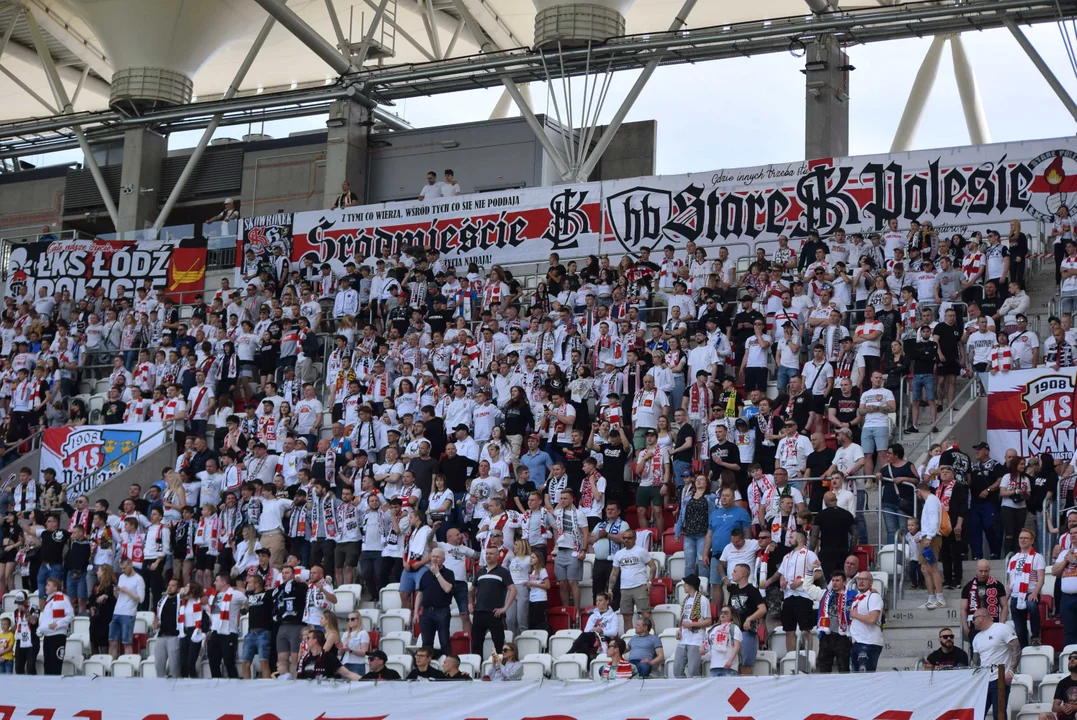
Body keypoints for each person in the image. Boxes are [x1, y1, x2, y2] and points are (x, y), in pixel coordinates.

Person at [971, 607, 1019, 719]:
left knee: (999, 713)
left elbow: (1016, 648)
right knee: (978, 713)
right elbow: (976, 661)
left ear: (982, 618)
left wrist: (1011, 671)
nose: (972, 621)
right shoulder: (976, 638)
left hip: (1000, 678)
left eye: (974, 618)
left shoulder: (1002, 629)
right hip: (983, 680)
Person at [778, 529, 821, 655]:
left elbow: (818, 573)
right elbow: (782, 574)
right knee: (789, 629)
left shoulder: (809, 554)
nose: (789, 539)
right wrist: (782, 582)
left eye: (792, 537)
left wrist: (801, 580)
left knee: (805, 628)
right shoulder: (787, 556)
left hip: (804, 595)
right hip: (788, 595)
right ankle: (791, 658)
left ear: (800, 539)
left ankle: (808, 656)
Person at [469, 545, 516, 656]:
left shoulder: (503, 572)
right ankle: (478, 670)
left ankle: (501, 669)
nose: (488, 556)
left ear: (497, 556)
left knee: (499, 644)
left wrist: (504, 608)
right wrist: (470, 604)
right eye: (487, 553)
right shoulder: (480, 572)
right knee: (476, 644)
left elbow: (513, 589)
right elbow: (471, 590)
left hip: (494, 613)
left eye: (491, 554)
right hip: (479, 612)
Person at [608, 528, 657, 630]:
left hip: (640, 585)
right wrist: (610, 589)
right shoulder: (619, 553)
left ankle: (652, 637)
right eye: (624, 538)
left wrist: (650, 582)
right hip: (625, 588)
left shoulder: (641, 551)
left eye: (629, 538)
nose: (626, 540)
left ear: (635, 538)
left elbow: (653, 566)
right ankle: (627, 640)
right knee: (626, 616)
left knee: (646, 615)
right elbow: (614, 572)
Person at [1008, 528, 1045, 648]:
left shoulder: (1037, 557)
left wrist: (1035, 593)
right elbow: (1010, 581)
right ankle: (1023, 648)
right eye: (1021, 538)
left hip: (1030, 592)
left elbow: (1041, 579)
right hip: (1015, 594)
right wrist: (1005, 597)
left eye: (1026, 538)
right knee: (1019, 627)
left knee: (1032, 607)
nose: (1023, 540)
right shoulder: (1013, 558)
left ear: (1032, 541)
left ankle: (1035, 636)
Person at [415, 547, 455, 651]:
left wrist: (437, 573)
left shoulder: (449, 573)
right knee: (426, 644)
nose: (435, 559)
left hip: (442, 611)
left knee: (444, 641)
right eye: (433, 556)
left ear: (443, 559)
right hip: (426, 611)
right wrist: (415, 613)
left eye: (438, 557)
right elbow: (420, 594)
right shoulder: (425, 575)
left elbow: (447, 589)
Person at [962, 559, 1008, 646]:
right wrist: (965, 628)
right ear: (976, 570)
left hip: (993, 624)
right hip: (975, 625)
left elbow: (1004, 606)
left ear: (989, 570)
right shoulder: (968, 587)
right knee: (976, 652)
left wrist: (1001, 624)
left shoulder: (998, 585)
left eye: (986, 571)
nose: (983, 574)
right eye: (981, 571)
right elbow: (964, 609)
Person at [917, 482, 946, 610]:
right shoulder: (930, 500)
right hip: (927, 536)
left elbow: (934, 520)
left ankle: (940, 598)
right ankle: (931, 598)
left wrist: (929, 537)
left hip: (932, 537)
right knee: (925, 568)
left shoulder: (932, 500)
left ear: (919, 491)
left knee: (932, 567)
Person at [674, 573, 710, 678]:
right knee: (677, 669)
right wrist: (679, 630)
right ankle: (684, 690)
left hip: (696, 639)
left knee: (693, 669)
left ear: (691, 585)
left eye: (685, 584)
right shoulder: (686, 600)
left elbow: (708, 621)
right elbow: (683, 619)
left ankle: (697, 691)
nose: (683, 585)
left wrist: (692, 624)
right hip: (683, 638)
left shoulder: (703, 600)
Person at [109, 556, 145, 659]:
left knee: (126, 642)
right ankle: (111, 666)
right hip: (117, 611)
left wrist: (126, 591)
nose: (123, 570)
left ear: (130, 565)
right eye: (121, 568)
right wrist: (116, 591)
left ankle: (127, 666)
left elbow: (141, 599)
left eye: (124, 568)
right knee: (112, 641)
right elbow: (118, 596)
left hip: (128, 613)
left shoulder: (139, 579)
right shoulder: (121, 577)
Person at [849, 570, 884, 672]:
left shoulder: (874, 597)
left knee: (866, 678)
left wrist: (855, 615)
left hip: (868, 642)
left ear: (871, 582)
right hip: (857, 641)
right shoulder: (857, 597)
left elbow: (873, 619)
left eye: (864, 579)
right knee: (856, 678)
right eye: (859, 579)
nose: (861, 581)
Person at [296, 626, 361, 680]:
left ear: (314, 641)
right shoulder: (304, 658)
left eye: (308, 638)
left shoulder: (329, 657)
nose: (306, 640)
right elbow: (298, 678)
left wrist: (366, 681)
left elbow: (347, 674)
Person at [38, 576, 72, 675]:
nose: (45, 587)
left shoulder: (63, 598)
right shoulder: (49, 601)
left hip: (58, 636)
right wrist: (40, 629)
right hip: (47, 636)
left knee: (55, 664)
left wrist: (57, 624)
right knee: (47, 665)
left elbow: (70, 615)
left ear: (55, 587)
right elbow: (46, 618)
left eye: (48, 585)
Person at [702, 605, 742, 677]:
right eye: (721, 612)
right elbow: (706, 643)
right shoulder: (712, 628)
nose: (723, 614)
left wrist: (730, 661)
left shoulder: (734, 628)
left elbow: (737, 646)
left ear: (731, 615)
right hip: (715, 665)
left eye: (726, 612)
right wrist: (702, 648)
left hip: (729, 666)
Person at [1046, 653, 1077, 720]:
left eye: (1075, 658)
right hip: (1065, 717)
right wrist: (1062, 708)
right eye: (1070, 658)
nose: (1072, 659)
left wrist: (1074, 707)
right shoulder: (1063, 683)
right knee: (1044, 715)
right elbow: (1054, 707)